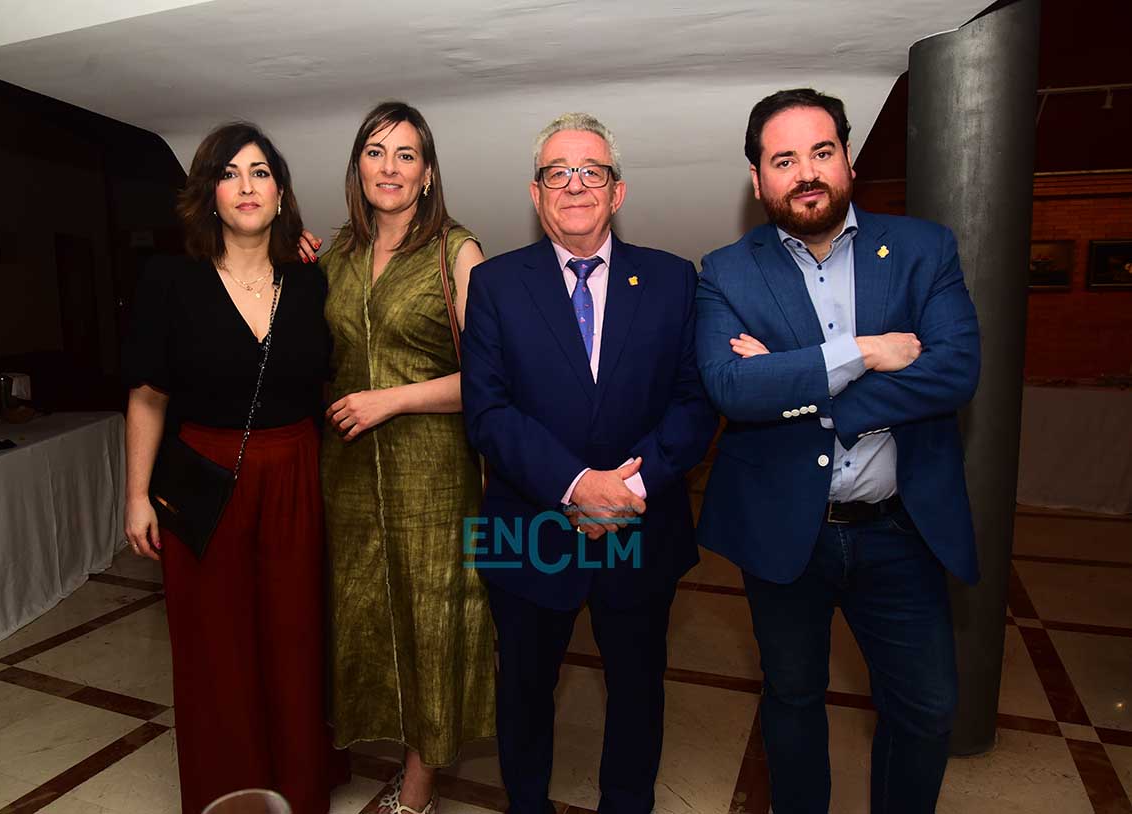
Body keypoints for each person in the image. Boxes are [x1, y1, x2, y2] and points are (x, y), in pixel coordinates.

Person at [695, 88, 982, 813]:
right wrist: (866, 351)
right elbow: (732, 389)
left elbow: (954, 372)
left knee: (926, 709)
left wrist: (803, 386)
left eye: (821, 152)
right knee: (792, 699)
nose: (806, 173)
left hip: (900, 530)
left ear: (847, 159)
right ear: (757, 178)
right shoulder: (726, 270)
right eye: (783, 159)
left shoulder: (922, 249)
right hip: (784, 530)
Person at [460, 112, 717, 814]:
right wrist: (575, 485)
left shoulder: (673, 279)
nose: (574, 185)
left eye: (591, 172)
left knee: (637, 686)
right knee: (522, 688)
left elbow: (695, 402)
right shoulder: (495, 285)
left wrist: (626, 488)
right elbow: (487, 411)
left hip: (642, 519)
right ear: (536, 193)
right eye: (557, 173)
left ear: (617, 191)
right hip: (529, 523)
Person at [122, 121, 348, 813]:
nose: (246, 186)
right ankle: (228, 793)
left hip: (296, 474)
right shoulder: (169, 280)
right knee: (214, 646)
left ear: (280, 194)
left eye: (260, 173)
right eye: (229, 173)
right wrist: (136, 495)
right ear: (208, 195)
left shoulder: (311, 282)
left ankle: (299, 786)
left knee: (294, 637)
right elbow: (148, 396)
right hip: (202, 476)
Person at [297, 100, 495, 814]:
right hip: (347, 475)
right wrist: (289, 263)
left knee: (434, 623)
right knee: (361, 614)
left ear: (427, 173)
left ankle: (418, 786)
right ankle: (361, 742)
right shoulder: (334, 257)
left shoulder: (456, 252)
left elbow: (490, 379)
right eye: (375, 153)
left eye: (405, 154)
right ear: (358, 168)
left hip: (433, 473)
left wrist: (393, 400)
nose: (390, 168)